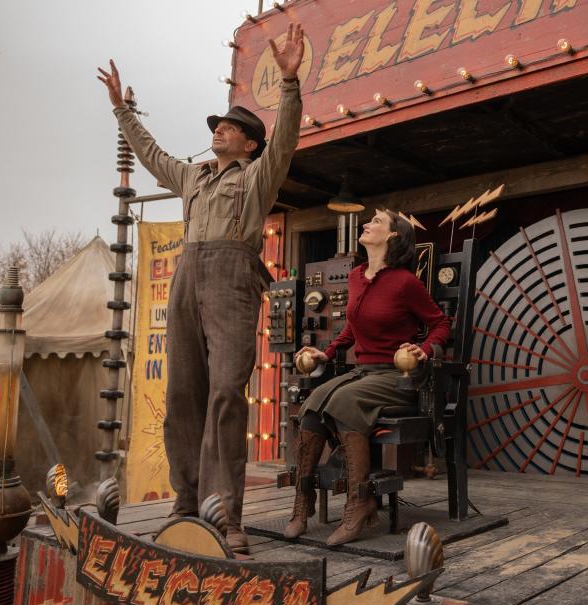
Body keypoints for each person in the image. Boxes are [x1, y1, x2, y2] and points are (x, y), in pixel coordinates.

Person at [97, 24, 305, 554]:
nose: (219, 130)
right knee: (181, 394)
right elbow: (150, 154)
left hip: (233, 279)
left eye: (231, 128)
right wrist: (122, 111)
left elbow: (285, 140)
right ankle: (186, 504)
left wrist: (288, 82)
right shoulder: (193, 177)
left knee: (226, 393)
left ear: (249, 143)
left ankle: (227, 514)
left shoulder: (258, 176)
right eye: (217, 126)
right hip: (188, 278)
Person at [287, 209, 450, 546]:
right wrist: (328, 353)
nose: (366, 224)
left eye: (376, 222)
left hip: (396, 377)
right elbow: (352, 325)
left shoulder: (405, 282)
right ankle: (303, 502)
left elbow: (441, 323)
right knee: (312, 406)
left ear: (394, 236)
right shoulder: (356, 276)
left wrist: (425, 350)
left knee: (345, 401)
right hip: (362, 374)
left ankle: (359, 502)